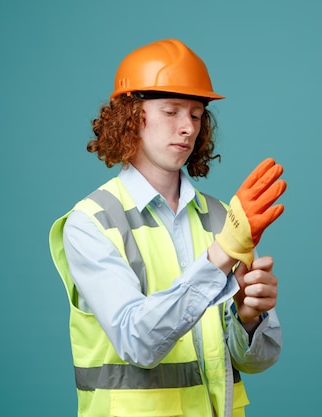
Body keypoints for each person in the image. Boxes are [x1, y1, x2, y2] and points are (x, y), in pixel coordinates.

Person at [49, 38, 287, 417]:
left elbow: (257, 361)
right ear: (130, 117)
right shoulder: (91, 223)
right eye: (171, 111)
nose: (187, 128)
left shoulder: (222, 217)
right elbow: (137, 342)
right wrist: (221, 256)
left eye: (195, 115)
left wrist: (249, 317)